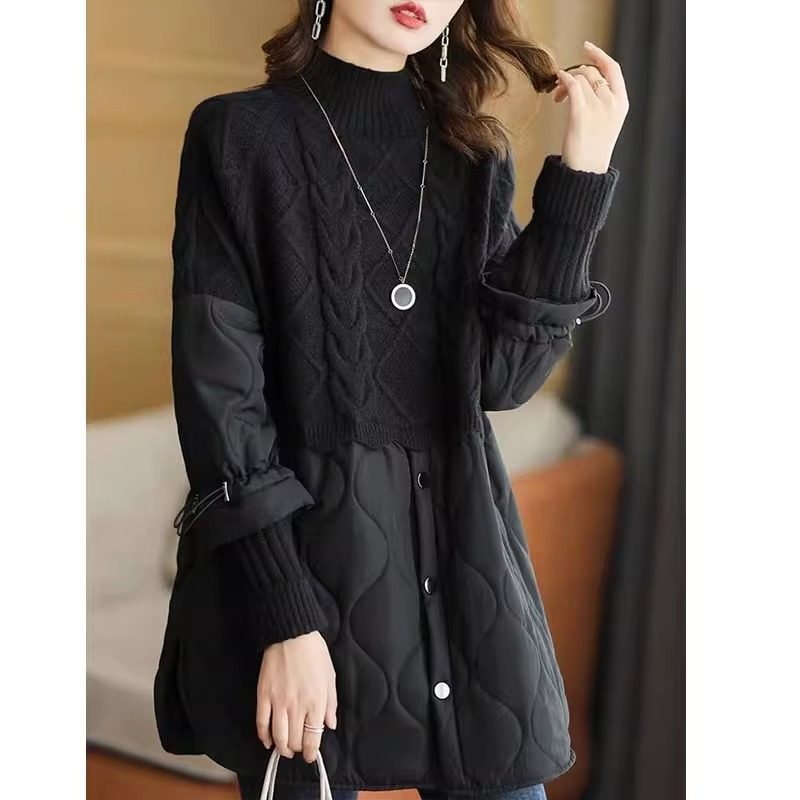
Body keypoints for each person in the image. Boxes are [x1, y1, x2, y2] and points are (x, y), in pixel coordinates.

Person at [153, 1, 629, 799]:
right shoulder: (239, 137)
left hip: (467, 579)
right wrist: (286, 620)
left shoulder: (472, 156)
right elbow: (221, 410)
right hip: (303, 593)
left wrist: (581, 175)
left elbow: (503, 380)